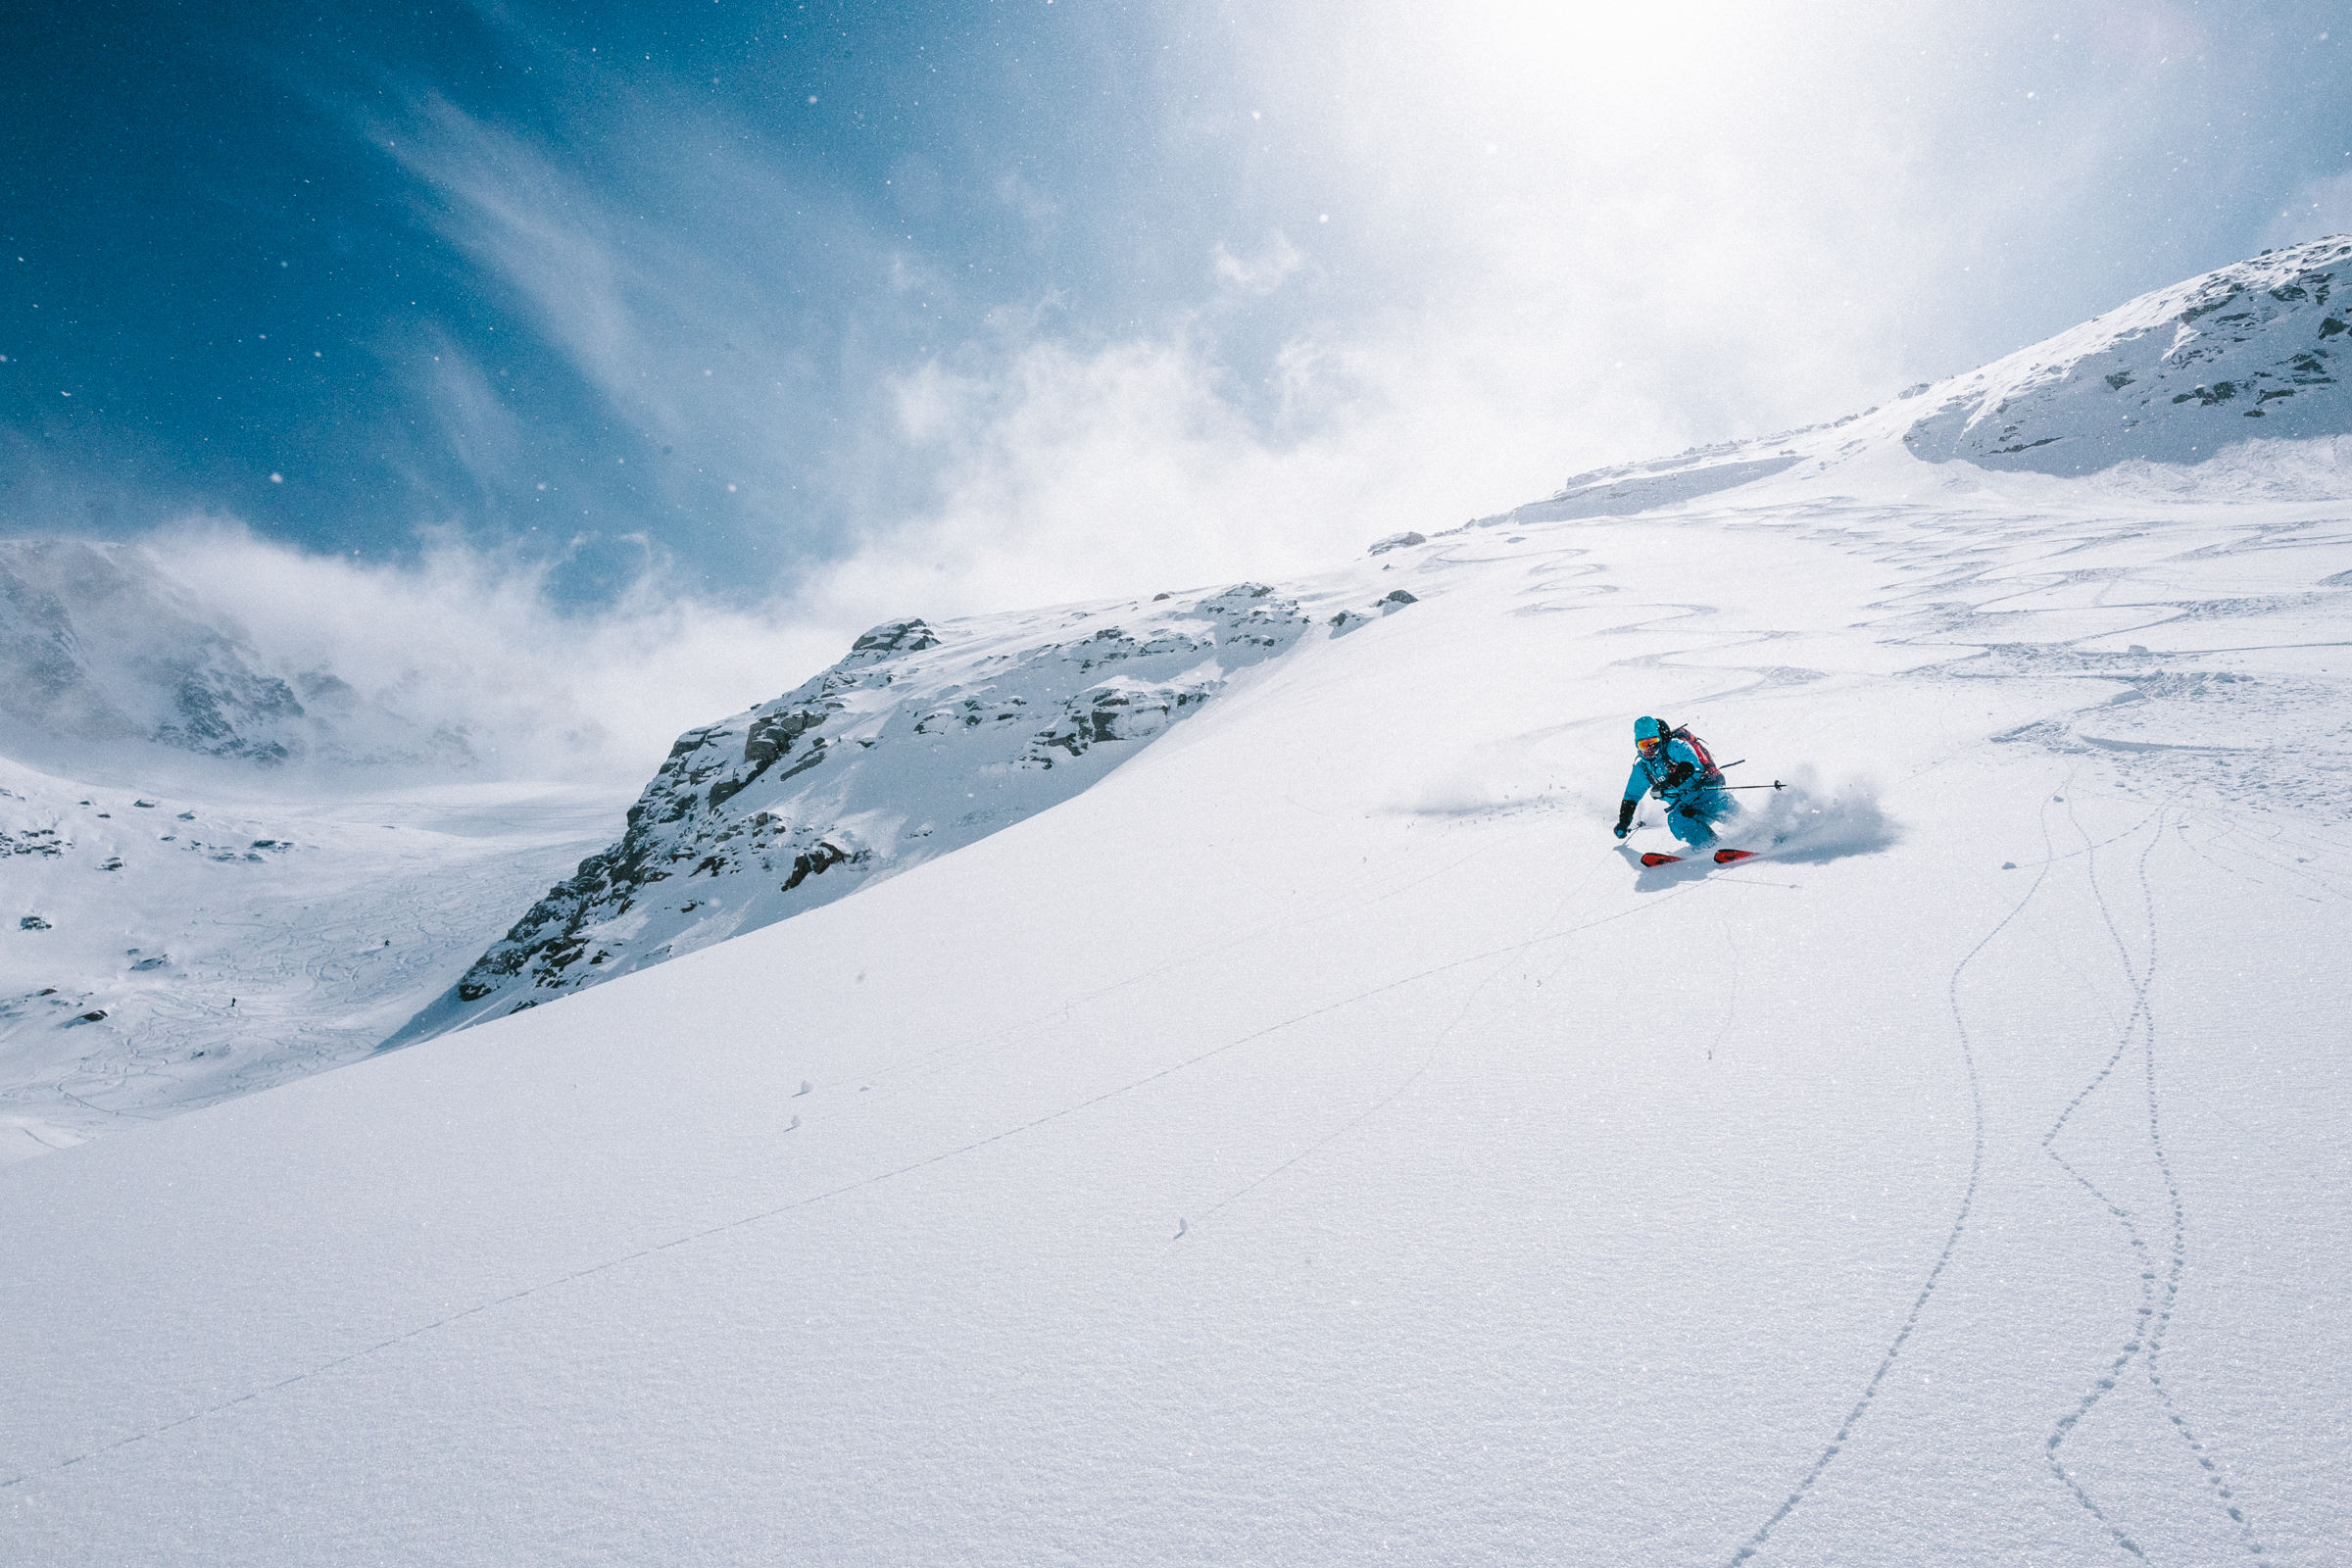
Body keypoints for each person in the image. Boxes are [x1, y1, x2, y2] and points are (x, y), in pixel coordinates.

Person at [1613, 716, 1734, 848]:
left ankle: (1757, 840)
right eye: (1643, 744)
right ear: (1637, 745)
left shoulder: (1676, 746)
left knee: (1746, 822)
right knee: (1676, 822)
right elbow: (1631, 796)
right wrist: (1624, 823)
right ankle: (1712, 847)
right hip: (1686, 809)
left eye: (1653, 743)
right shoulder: (1642, 768)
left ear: (1660, 740)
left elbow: (1689, 766)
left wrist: (1667, 784)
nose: (1649, 749)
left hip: (1710, 797)